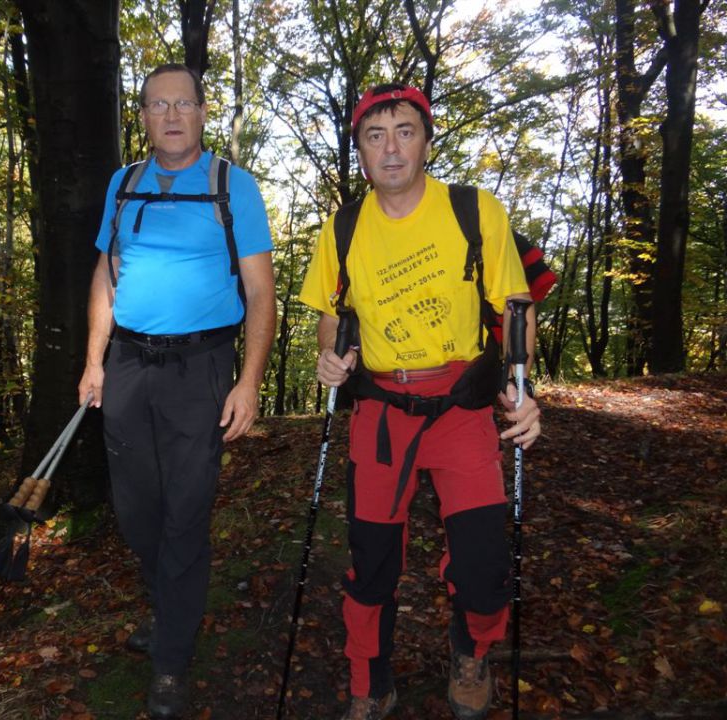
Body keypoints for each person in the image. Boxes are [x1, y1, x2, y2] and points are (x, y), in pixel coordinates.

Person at [299, 84, 542, 720]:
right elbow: (331, 313)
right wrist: (332, 354)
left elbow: (514, 306)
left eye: (405, 131)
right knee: (371, 560)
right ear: (359, 152)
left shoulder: (473, 209)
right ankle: (370, 677)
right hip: (381, 411)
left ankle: (473, 652)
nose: (391, 148)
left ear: (427, 140)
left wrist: (524, 387)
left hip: (461, 407)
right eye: (375, 136)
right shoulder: (343, 227)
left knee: (486, 556)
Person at [78, 63, 275, 719]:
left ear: (200, 112)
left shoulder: (231, 186)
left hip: (202, 369)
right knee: (137, 513)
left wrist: (249, 382)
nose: (170, 114)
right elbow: (105, 278)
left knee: (187, 511)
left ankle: (170, 662)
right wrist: (94, 362)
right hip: (129, 366)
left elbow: (261, 293)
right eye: (157, 104)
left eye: (182, 103)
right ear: (141, 115)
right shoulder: (123, 183)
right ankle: (171, 614)